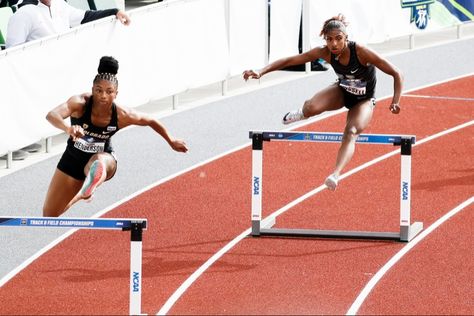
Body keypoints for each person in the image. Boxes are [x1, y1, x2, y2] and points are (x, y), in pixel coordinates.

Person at [243, 14, 403, 191]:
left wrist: (395, 101)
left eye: (338, 39)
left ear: (346, 37)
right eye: (329, 39)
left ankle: (335, 174)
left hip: (364, 100)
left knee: (351, 131)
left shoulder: (361, 51)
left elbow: (397, 73)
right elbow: (291, 60)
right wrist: (261, 71)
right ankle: (303, 113)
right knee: (311, 107)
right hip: (342, 91)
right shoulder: (324, 52)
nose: (334, 44)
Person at [43, 56, 188, 217]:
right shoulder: (79, 103)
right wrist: (68, 128)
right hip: (73, 158)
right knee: (50, 214)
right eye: (99, 90)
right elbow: (52, 114)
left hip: (105, 158)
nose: (103, 96)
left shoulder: (121, 115)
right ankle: (85, 192)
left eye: (109, 92)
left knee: (97, 162)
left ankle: (93, 181)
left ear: (116, 94)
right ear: (92, 90)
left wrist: (171, 140)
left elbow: (150, 120)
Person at [3, 0, 130, 160]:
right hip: (32, 75)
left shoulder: (59, 5)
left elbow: (85, 16)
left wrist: (114, 12)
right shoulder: (24, 14)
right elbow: (12, 55)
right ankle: (14, 143)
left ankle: (29, 137)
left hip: (54, 73)